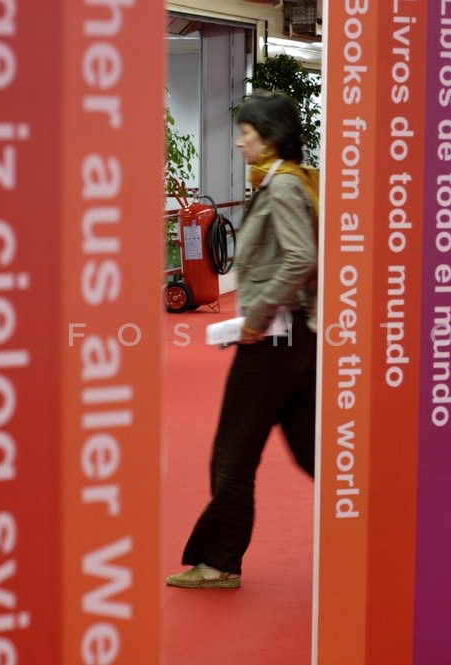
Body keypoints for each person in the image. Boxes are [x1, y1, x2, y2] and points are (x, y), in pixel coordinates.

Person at [167, 90, 319, 588]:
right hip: (293, 341)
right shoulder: (284, 181)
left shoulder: (283, 187)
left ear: (270, 139)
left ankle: (218, 562)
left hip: (273, 342)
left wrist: (258, 314)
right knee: (313, 451)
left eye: (246, 134)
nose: (239, 143)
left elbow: (301, 257)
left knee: (232, 456)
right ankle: (390, 519)